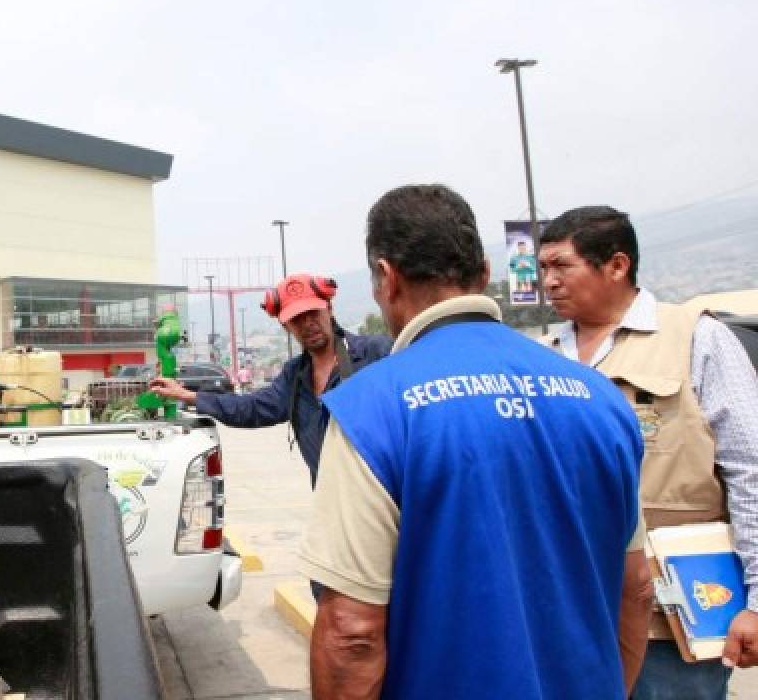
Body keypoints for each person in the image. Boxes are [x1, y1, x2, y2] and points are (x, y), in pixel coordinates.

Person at [301, 184, 651, 700]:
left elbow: (352, 634)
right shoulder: (601, 400)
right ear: (484, 271)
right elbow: (636, 587)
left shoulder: (373, 410)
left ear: (386, 277)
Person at [538, 205, 758, 698]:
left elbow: (751, 472)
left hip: (676, 615)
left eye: (561, 266)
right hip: (575, 612)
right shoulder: (544, 357)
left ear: (617, 265)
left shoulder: (696, 338)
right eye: (543, 269)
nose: (548, 282)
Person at [148, 273, 390, 486]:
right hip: (330, 505)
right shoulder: (295, 377)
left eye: (313, 313)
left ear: (329, 309)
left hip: (385, 496)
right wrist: (190, 396)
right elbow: (251, 408)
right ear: (286, 325)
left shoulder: (376, 355)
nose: (308, 324)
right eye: (297, 318)